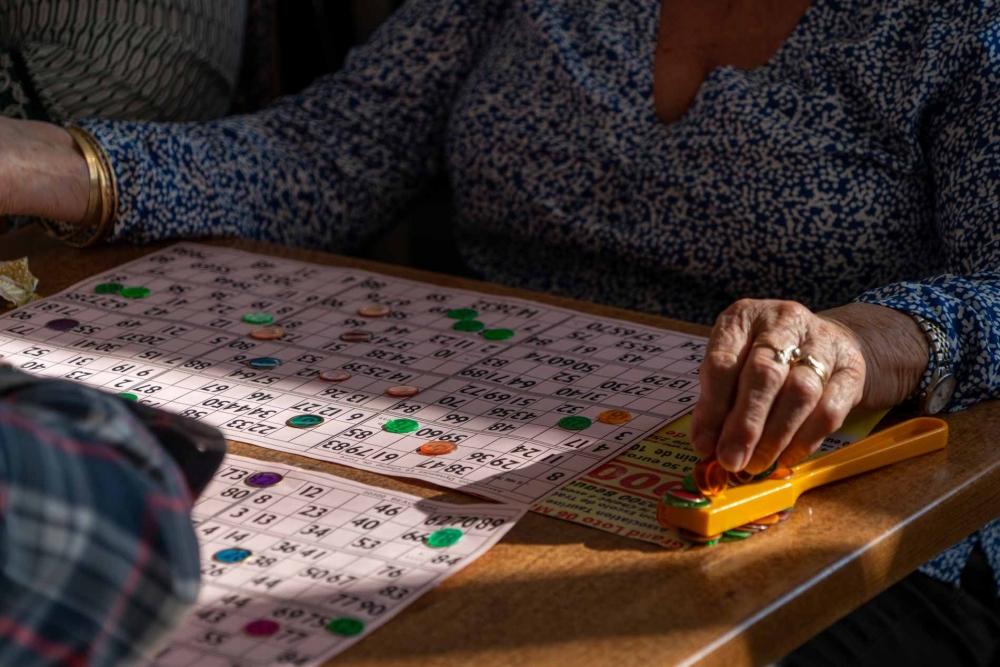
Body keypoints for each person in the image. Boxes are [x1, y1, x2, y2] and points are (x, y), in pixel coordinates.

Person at [0, 0, 998, 663]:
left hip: (820, 516)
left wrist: (879, 339)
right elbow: (327, 153)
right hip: (469, 458)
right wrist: (41, 164)